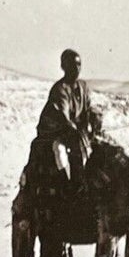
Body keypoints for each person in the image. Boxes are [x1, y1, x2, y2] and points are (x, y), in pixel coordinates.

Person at [32, 48, 97, 191]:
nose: (76, 68)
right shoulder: (60, 89)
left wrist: (94, 119)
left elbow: (88, 108)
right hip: (56, 133)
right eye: (72, 65)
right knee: (61, 152)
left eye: (79, 65)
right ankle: (72, 187)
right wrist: (74, 128)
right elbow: (63, 114)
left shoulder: (83, 87)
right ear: (64, 67)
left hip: (76, 132)